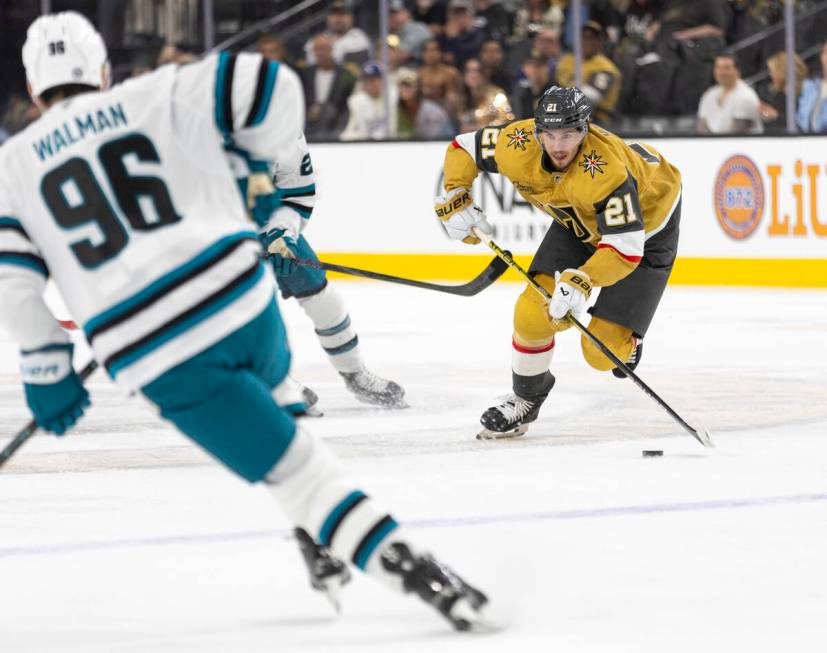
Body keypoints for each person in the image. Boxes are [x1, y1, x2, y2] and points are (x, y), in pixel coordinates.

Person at [0, 11, 488, 630]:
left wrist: (46, 366)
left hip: (155, 353)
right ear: (101, 70)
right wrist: (257, 173)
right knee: (274, 390)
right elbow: (277, 87)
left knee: (301, 478)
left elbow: (13, 285)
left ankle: (419, 575)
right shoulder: (160, 91)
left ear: (31, 85)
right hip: (238, 296)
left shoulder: (12, 165)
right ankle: (341, 531)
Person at [433, 86, 682, 438]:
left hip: (647, 228)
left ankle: (629, 343)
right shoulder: (517, 142)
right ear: (536, 132)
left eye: (569, 133)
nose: (558, 145)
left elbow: (625, 249)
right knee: (530, 314)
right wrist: (457, 192)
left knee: (600, 354)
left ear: (586, 129)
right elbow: (463, 146)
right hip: (578, 220)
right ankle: (525, 400)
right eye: (549, 134)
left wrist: (581, 281)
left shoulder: (607, 171)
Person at [554, 21, 621, 125]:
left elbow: (591, 96)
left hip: (597, 120)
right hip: (563, 117)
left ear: (600, 42)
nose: (587, 42)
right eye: (584, 38)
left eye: (592, 38)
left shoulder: (605, 67)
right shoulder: (565, 61)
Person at [300, 34, 357, 140]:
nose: (321, 53)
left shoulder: (346, 75)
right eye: (318, 49)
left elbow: (347, 104)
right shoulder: (305, 74)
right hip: (309, 126)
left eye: (324, 49)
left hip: (336, 126)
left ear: (332, 50)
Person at [697, 53, 763, 134]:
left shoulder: (746, 96)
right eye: (718, 67)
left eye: (727, 68)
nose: (722, 72)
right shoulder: (709, 94)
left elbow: (737, 133)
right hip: (714, 144)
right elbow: (701, 127)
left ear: (737, 71)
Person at [303, 0, 372, 68]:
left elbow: (357, 64)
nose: (338, 18)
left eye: (343, 14)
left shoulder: (359, 37)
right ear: (328, 18)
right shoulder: (318, 39)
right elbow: (310, 64)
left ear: (351, 17)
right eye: (334, 14)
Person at [341, 61, 397, 140]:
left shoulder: (394, 96)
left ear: (382, 80)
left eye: (373, 80)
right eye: (366, 81)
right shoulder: (355, 101)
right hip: (366, 146)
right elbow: (348, 133)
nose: (369, 84)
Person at [757, 51, 806, 134]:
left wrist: (775, 115)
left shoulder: (804, 98)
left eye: (773, 71)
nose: (771, 74)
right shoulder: (778, 95)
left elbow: (800, 126)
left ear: (782, 72)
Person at [796, 42, 827, 134]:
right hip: (806, 142)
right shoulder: (808, 86)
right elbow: (799, 118)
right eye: (825, 53)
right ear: (821, 57)